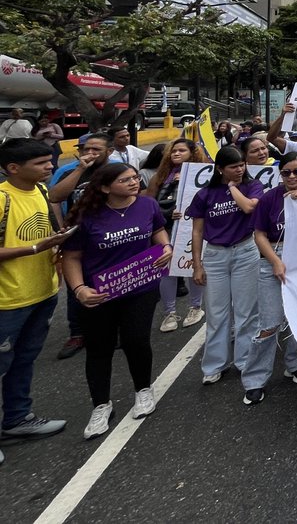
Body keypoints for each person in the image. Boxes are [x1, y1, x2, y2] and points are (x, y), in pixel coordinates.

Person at [62, 163, 173, 438]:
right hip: (98, 294)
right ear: (104, 187)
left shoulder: (147, 205)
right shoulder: (86, 216)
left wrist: (167, 247)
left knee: (136, 341)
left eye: (135, 178)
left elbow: (157, 230)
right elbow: (71, 257)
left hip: (140, 288)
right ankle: (101, 404)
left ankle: (143, 389)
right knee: (100, 348)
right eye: (125, 180)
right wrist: (79, 290)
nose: (134, 183)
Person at [0, 139, 69, 460]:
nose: (50, 167)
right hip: (6, 301)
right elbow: (32, 243)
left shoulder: (42, 192)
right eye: (42, 163)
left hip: (42, 292)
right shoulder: (2, 198)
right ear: (14, 168)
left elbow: (48, 234)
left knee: (24, 360)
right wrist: (35, 248)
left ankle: (17, 418)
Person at [242, 152, 297, 404]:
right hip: (272, 260)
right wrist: (275, 261)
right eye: (286, 172)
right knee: (270, 322)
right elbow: (259, 235)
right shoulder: (269, 198)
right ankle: (255, 378)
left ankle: (296, 363)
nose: (292, 177)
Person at [186, 145, 263, 389]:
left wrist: (232, 187)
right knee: (217, 314)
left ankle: (244, 360)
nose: (239, 169)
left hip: (245, 250)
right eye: (233, 167)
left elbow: (249, 207)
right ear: (220, 169)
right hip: (216, 255)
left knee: (246, 312)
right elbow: (197, 231)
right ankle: (214, 366)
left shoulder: (252, 186)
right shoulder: (204, 195)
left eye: (242, 165)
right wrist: (197, 265)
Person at [47, 131, 113, 358]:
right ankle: (77, 333)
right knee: (78, 285)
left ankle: (114, 330)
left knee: (114, 281)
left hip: (113, 237)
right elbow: (55, 197)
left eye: (97, 150)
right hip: (78, 238)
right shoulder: (68, 171)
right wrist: (80, 169)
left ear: (109, 152)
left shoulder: (116, 171)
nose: (90, 153)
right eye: (86, 149)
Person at [145, 138, 206, 332]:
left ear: (192, 154)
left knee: (192, 268)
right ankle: (169, 312)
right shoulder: (160, 177)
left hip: (192, 230)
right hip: (167, 230)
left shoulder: (204, 175)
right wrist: (167, 212)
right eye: (173, 151)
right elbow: (148, 204)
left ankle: (196, 307)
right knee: (168, 271)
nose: (176, 154)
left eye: (182, 151)